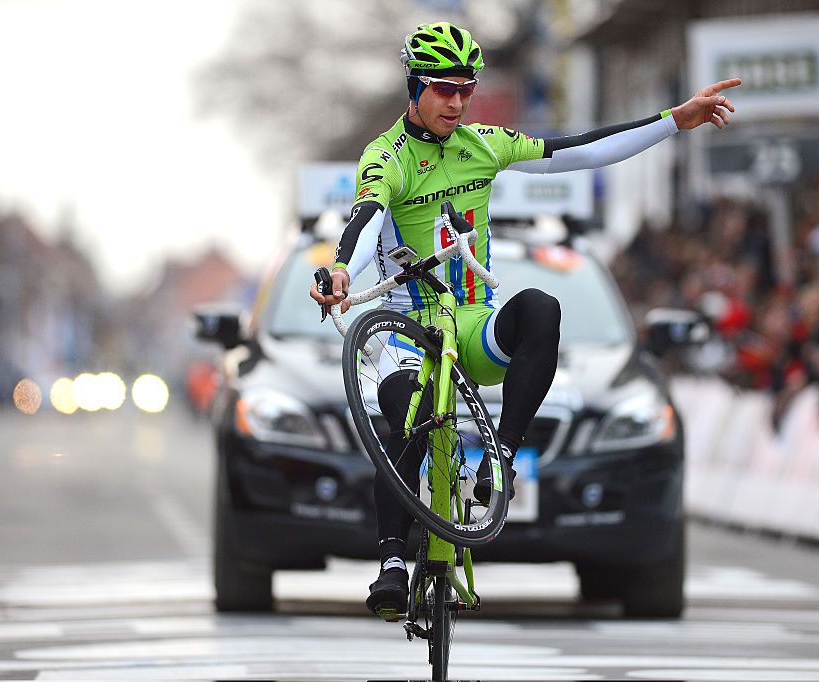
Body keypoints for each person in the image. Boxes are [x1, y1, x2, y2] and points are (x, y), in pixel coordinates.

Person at [309, 21, 740, 618]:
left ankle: (500, 460)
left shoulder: (483, 143)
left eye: (465, 89)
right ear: (413, 87)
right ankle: (390, 562)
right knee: (406, 408)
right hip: (406, 327)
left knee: (540, 308)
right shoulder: (387, 157)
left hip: (470, 321)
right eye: (442, 89)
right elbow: (363, 218)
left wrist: (674, 120)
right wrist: (338, 272)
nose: (456, 103)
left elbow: (578, 149)